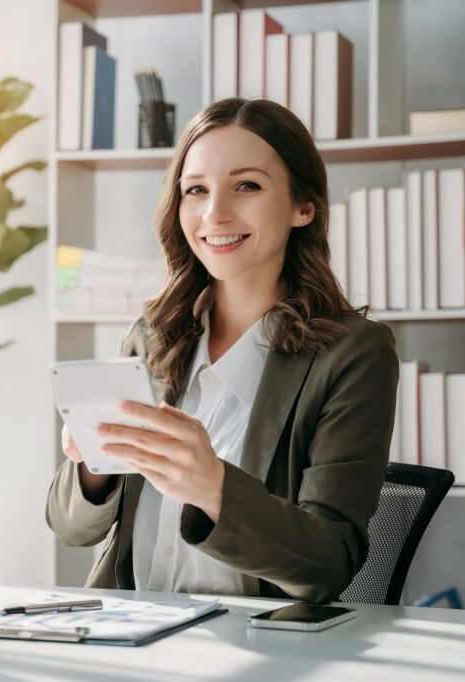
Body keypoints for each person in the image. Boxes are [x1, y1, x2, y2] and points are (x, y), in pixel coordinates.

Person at [45, 98, 399, 604]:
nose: (215, 213)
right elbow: (69, 528)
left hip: (256, 648)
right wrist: (94, 464)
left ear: (304, 207)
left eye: (247, 186)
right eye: (196, 190)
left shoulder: (353, 353)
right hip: (131, 633)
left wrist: (213, 487)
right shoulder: (152, 334)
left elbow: (329, 565)